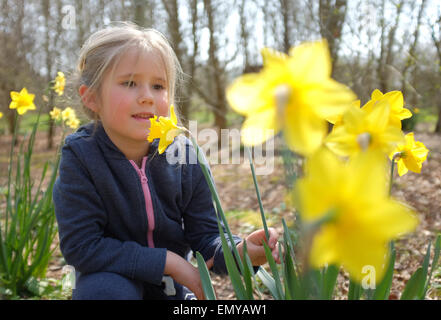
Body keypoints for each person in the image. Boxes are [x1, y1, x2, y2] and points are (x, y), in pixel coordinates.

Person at [53, 22, 280, 300]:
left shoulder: (184, 154)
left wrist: (241, 252)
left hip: (171, 290)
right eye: (129, 83)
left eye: (158, 86)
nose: (147, 96)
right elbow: (82, 247)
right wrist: (168, 262)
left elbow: (207, 238)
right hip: (109, 281)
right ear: (91, 97)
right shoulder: (81, 156)